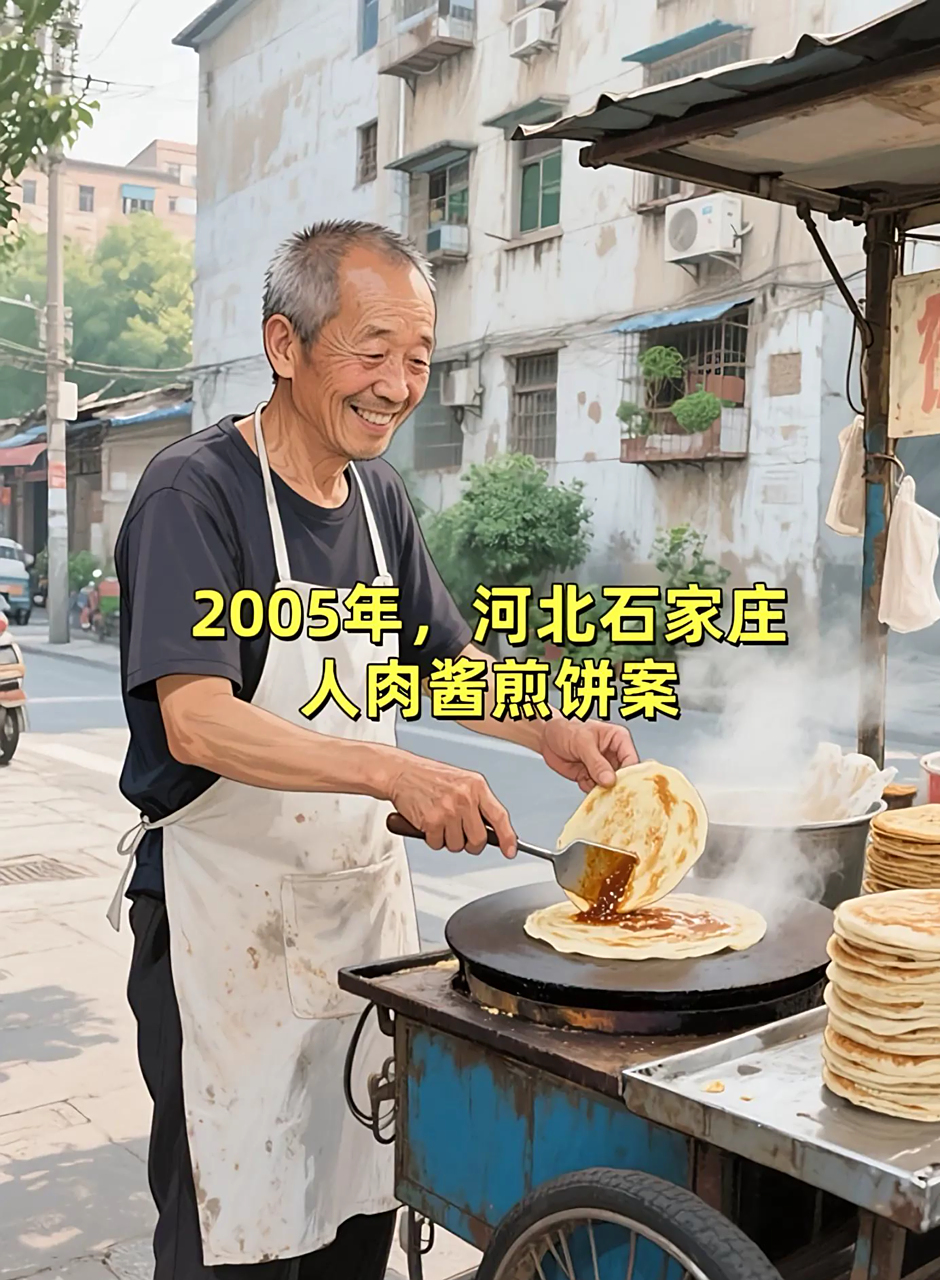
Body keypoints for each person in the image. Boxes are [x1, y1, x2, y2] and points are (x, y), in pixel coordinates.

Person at [109, 220, 638, 1279]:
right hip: (223, 930)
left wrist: (556, 722)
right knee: (235, 1235)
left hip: (359, 927)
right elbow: (196, 718)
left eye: (418, 358)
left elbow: (442, 662)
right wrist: (396, 768)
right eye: (372, 350)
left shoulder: (378, 498)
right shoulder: (195, 492)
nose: (398, 384)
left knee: (354, 1221)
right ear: (285, 345)